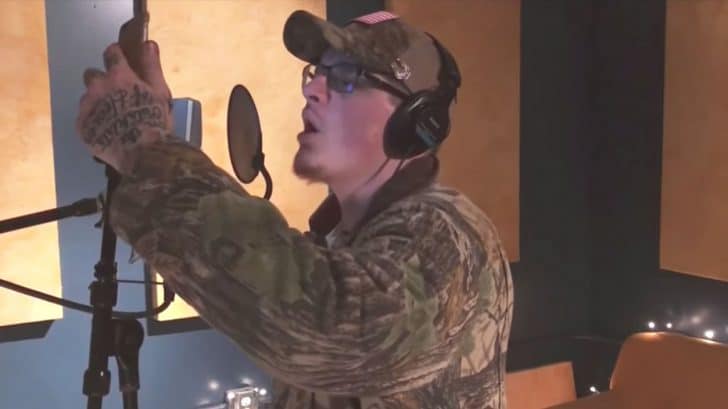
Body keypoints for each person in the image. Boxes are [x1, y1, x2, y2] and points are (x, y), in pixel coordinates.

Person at [76, 9, 513, 409]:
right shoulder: (340, 242)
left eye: (345, 76)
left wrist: (146, 149)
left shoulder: (450, 233)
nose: (311, 89)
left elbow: (337, 332)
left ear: (414, 121)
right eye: (316, 73)